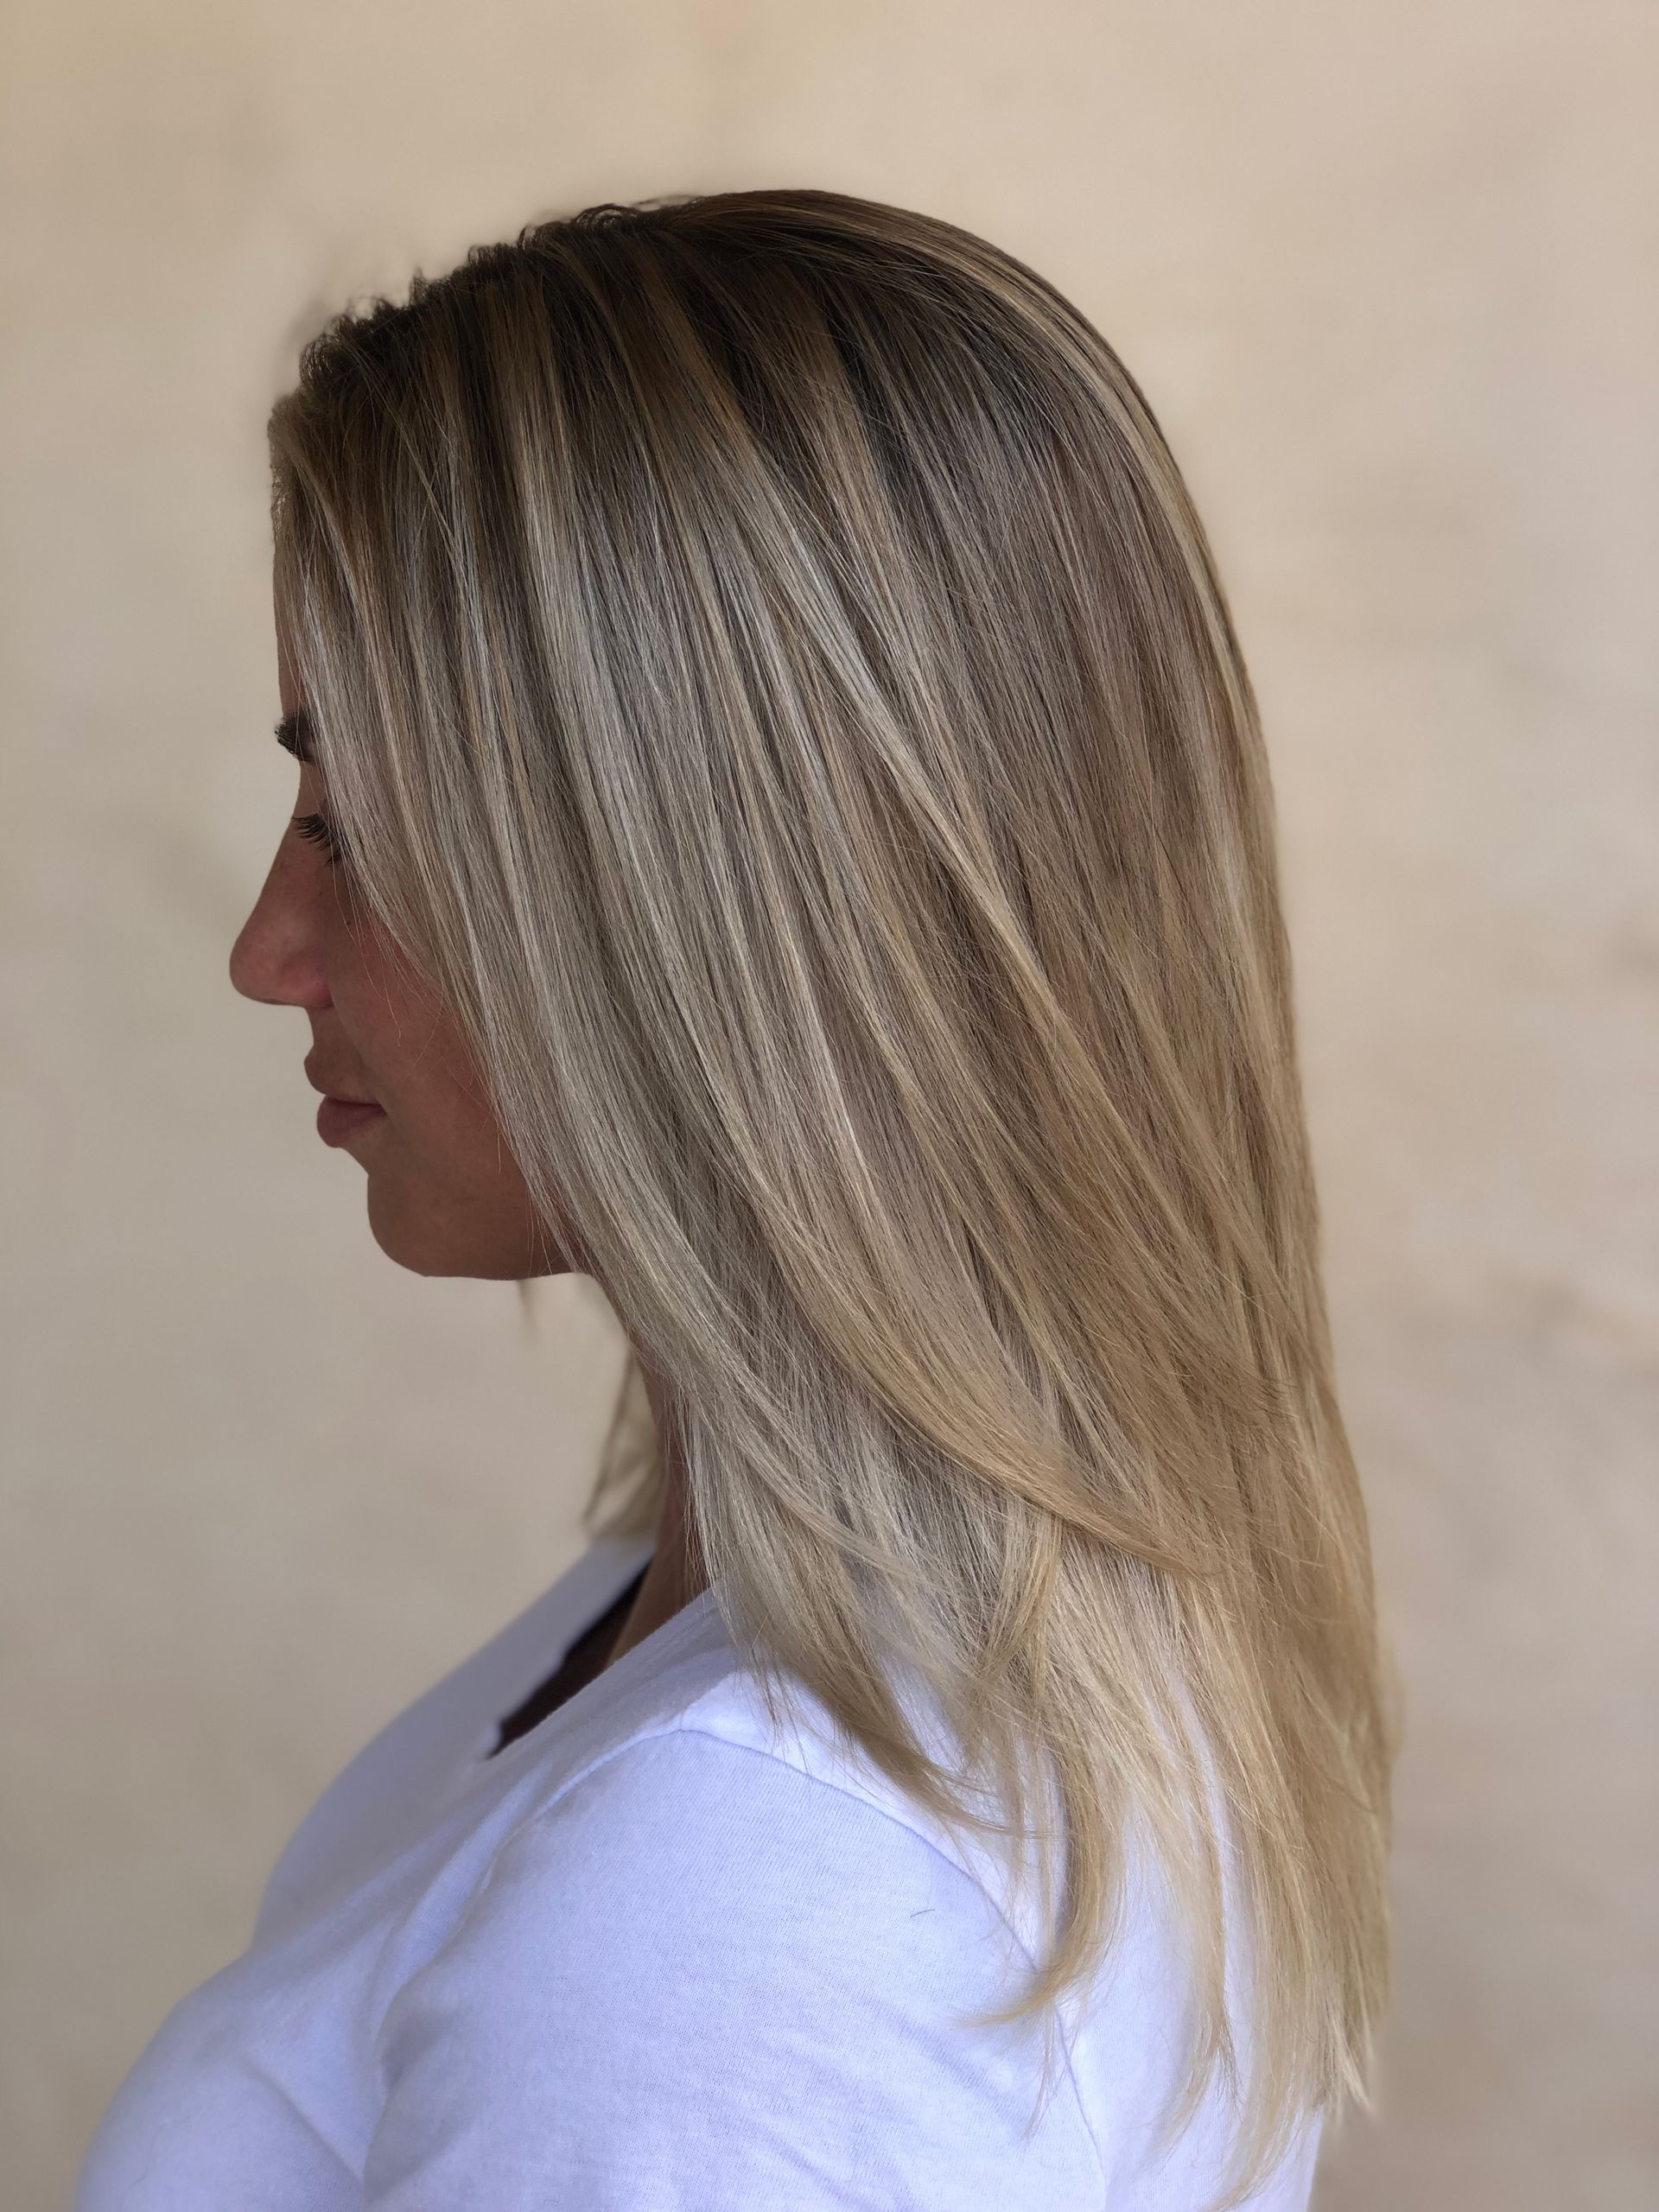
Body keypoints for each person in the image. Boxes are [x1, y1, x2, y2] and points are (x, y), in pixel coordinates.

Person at [75, 187, 1394, 2211]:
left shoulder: (745, 1917)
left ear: (692, 898)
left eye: (350, 824)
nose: (270, 944)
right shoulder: (870, 1634)